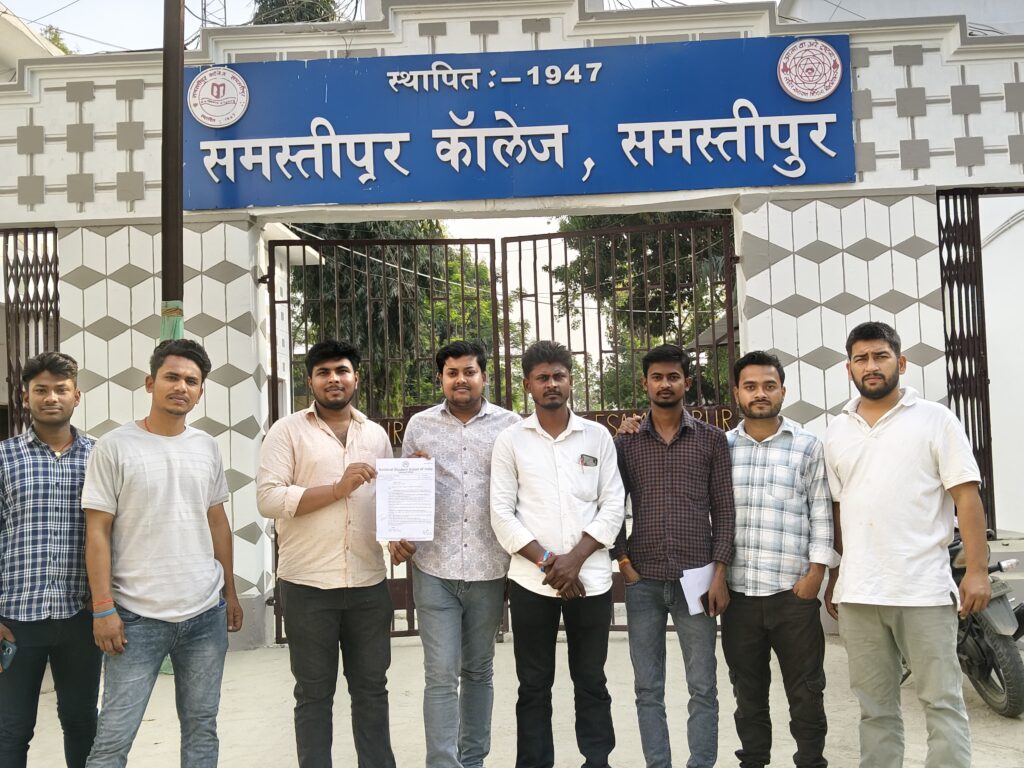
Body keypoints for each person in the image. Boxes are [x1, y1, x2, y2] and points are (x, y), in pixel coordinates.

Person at [824, 321, 991, 768]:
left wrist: (977, 570)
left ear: (900, 362)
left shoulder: (936, 419)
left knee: (942, 702)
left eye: (880, 356)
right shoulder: (837, 430)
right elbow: (841, 508)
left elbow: (966, 496)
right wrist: (837, 574)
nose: (871, 366)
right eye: (861, 358)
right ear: (848, 368)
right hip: (860, 593)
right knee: (875, 709)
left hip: (923, 589)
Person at [83, 339, 243, 768]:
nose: (181, 387)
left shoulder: (207, 446)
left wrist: (230, 592)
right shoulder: (114, 446)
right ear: (150, 382)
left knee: (202, 728)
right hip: (135, 618)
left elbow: (217, 522)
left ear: (201, 391)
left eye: (192, 381)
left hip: (204, 615)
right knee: (114, 738)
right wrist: (103, 608)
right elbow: (97, 531)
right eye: (172, 377)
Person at [257, 339, 396, 768]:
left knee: (372, 690)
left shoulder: (374, 435)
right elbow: (268, 499)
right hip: (307, 585)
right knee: (314, 693)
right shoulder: (286, 431)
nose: (333, 379)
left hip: (368, 582)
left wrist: (399, 535)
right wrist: (337, 489)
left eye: (341, 371)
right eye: (323, 372)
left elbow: (385, 501)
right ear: (311, 381)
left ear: (356, 378)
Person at [490, 339, 625, 768]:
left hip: (590, 580)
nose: (552, 384)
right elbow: (501, 513)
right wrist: (551, 563)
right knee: (533, 685)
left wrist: (575, 560)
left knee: (591, 680)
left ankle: (597, 761)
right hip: (533, 581)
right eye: (542, 377)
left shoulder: (597, 436)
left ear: (570, 380)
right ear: (527, 384)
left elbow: (613, 505)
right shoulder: (511, 440)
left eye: (559, 376)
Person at [387, 339, 521, 768]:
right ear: (441, 378)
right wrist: (398, 533)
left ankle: (473, 760)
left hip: (490, 566)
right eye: (452, 373)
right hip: (434, 567)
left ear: (484, 375)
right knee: (441, 673)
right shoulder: (420, 426)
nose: (461, 379)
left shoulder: (511, 426)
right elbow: (404, 492)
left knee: (478, 671)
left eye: (469, 371)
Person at [612, 343, 734, 768]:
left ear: (688, 382)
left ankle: (701, 763)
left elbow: (724, 510)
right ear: (645, 383)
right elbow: (610, 506)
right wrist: (623, 562)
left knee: (703, 686)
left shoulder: (712, 440)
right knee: (648, 688)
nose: (665, 384)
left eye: (674, 377)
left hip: (697, 580)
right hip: (642, 580)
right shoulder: (625, 442)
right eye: (657, 377)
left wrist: (719, 574)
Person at [722, 350, 836, 768]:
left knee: (807, 690)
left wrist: (816, 574)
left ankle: (811, 761)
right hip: (738, 596)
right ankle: (753, 760)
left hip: (793, 594)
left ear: (783, 391)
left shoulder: (807, 446)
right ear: (737, 392)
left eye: (769, 386)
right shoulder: (722, 447)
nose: (760, 394)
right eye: (750, 386)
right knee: (747, 692)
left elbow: (820, 513)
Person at [0, 352, 100, 768]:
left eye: (61, 389)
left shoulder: (100, 457)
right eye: (41, 390)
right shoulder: (4, 457)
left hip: (81, 616)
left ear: (76, 396)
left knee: (81, 721)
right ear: (26, 398)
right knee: (11, 729)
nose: (51, 398)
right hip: (14, 620)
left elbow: (118, 534)